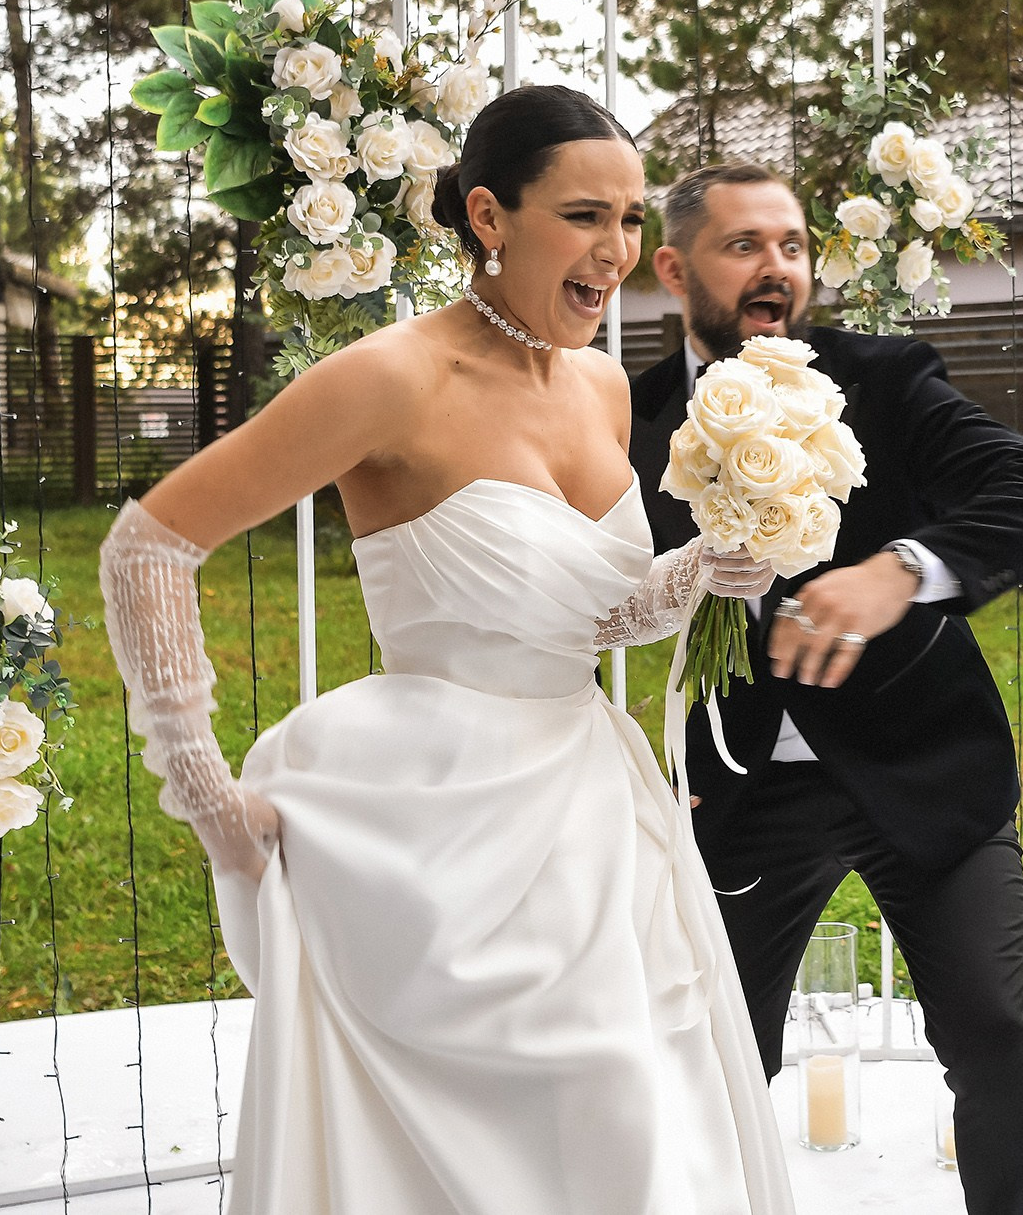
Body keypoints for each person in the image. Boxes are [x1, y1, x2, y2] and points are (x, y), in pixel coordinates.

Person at [97, 88, 793, 1215]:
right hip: (434, 827)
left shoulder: (603, 386)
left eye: (629, 219)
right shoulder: (389, 379)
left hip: (590, 813)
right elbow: (146, 547)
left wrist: (696, 574)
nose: (616, 250)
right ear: (488, 215)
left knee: (632, 1114)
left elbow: (589, 616)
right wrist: (202, 787)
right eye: (583, 216)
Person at [629, 162, 1023, 1215]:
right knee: (711, 1052)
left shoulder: (883, 380)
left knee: (993, 1034)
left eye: (792, 245)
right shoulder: (632, 417)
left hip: (926, 763)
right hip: (736, 784)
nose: (777, 267)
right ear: (675, 269)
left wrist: (902, 571)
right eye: (744, 245)